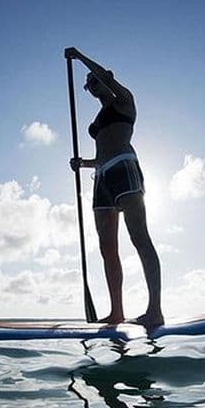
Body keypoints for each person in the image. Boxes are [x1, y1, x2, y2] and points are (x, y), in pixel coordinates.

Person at [66, 47, 164, 328]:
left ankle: (154, 310)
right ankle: (117, 312)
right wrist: (82, 163)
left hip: (124, 169)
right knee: (107, 248)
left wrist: (80, 57)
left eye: (94, 82)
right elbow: (102, 150)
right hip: (102, 178)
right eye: (88, 86)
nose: (92, 87)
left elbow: (105, 77)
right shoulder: (100, 115)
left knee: (139, 237)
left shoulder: (124, 101)